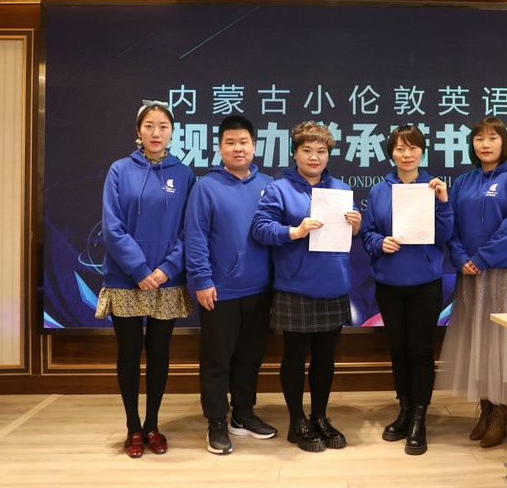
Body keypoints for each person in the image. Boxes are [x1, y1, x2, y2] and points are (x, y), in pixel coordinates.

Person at [250, 121, 362, 453]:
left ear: (328, 155)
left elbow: (351, 235)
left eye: (321, 151)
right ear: (295, 152)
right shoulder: (279, 189)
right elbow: (260, 229)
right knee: (295, 356)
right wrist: (295, 232)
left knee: (325, 357)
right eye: (307, 150)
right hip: (295, 286)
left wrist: (356, 226)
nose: (314, 157)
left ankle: (320, 416)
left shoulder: (340, 189)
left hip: (334, 283)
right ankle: (297, 419)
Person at [95, 100, 195, 458]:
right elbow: (112, 227)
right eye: (149, 125)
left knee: (159, 353)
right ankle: (133, 428)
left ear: (172, 132)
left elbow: (189, 229)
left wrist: (166, 269)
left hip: (166, 279)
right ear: (138, 130)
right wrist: (139, 270)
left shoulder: (184, 174)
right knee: (129, 353)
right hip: (126, 278)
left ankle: (153, 425)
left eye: (163, 126)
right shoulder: (120, 170)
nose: (156, 132)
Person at [435, 116, 507, 448]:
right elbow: (451, 226)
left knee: (499, 343)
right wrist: (461, 257)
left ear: (504, 142)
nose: (486, 144)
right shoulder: (463, 181)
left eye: (493, 138)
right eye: (479, 139)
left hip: (501, 273)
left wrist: (483, 258)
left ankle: (501, 413)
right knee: (476, 341)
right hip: (469, 273)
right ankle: (485, 408)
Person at [184, 115, 276, 456]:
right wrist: (202, 280)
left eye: (244, 142)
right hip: (219, 290)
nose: (238, 148)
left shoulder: (268, 184)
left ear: (254, 145)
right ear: (220, 147)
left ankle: (243, 414)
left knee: (250, 357)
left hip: (261, 289)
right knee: (216, 359)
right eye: (230, 142)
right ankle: (216, 421)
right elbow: (195, 238)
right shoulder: (206, 187)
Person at [361, 125, 452, 455]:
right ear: (392, 153)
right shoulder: (379, 190)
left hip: (425, 284)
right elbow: (367, 233)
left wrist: (443, 203)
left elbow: (445, 235)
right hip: (389, 283)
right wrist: (378, 242)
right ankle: (404, 409)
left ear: (422, 152)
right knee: (398, 350)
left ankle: (419, 417)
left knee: (421, 351)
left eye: (413, 147)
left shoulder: (433, 187)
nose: (407, 154)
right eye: (400, 148)